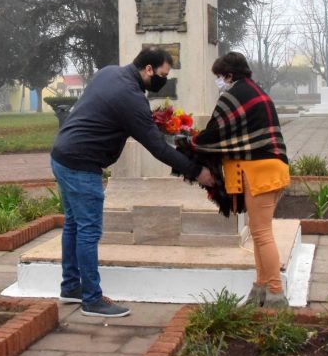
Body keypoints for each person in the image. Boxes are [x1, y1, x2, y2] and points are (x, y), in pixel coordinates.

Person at [50, 47, 216, 318]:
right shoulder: (131, 97)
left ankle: (70, 287)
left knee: (73, 225)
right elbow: (158, 149)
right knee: (89, 231)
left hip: (61, 155)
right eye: (162, 74)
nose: (163, 81)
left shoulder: (109, 72)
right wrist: (197, 172)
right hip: (81, 164)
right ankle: (91, 299)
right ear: (148, 69)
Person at [192, 52, 291, 309]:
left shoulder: (233, 96)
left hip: (258, 172)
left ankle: (276, 294)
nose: (218, 81)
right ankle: (260, 288)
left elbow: (215, 132)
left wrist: (191, 141)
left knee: (262, 233)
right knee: (259, 234)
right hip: (272, 169)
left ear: (229, 75)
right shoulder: (257, 92)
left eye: (219, 76)